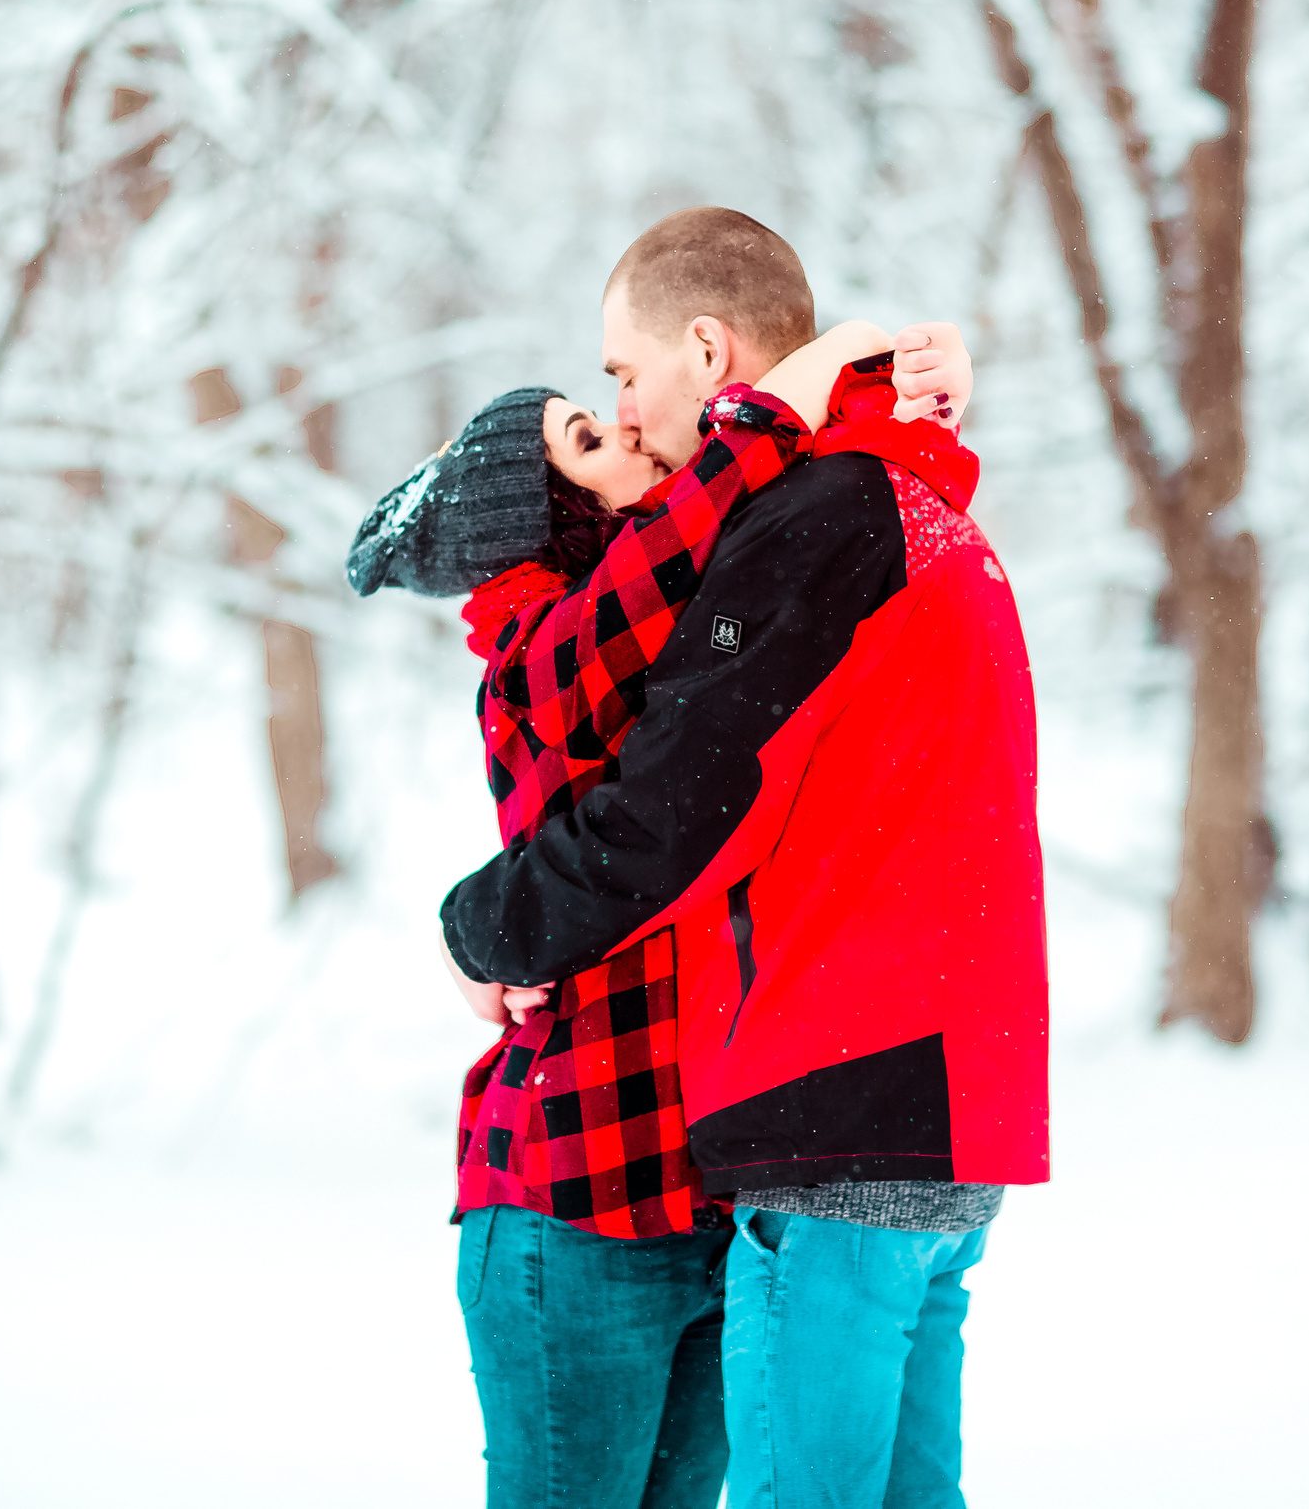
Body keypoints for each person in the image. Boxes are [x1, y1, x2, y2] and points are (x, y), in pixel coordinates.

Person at [441, 207, 1049, 1509]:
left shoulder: (819, 523)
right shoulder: (903, 505)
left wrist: (485, 929)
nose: (623, 408)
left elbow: (672, 807)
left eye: (621, 374)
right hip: (948, 1109)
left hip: (837, 1104)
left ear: (707, 352)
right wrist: (878, 376)